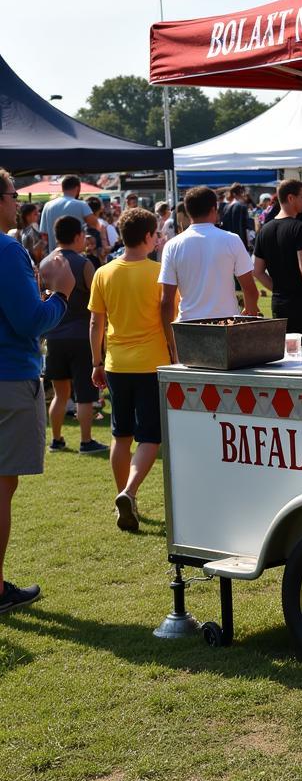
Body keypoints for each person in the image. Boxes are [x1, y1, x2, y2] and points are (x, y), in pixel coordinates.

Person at [0, 167, 75, 612]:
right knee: (2, 487)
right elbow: (30, 321)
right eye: (13, 194)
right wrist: (60, 293)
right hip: (9, 378)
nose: (18, 202)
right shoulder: (7, 250)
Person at [89, 208, 176, 531]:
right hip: (152, 363)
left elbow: (96, 321)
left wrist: (96, 361)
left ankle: (123, 496)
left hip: (116, 363)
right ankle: (130, 491)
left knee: (120, 434)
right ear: (148, 237)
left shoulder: (104, 272)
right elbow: (171, 319)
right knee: (150, 436)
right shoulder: (159, 273)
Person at [40, 217, 108, 456]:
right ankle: (86, 441)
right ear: (78, 236)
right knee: (85, 394)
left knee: (60, 394)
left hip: (54, 336)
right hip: (81, 337)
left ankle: (56, 440)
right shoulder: (83, 264)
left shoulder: (45, 263)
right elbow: (97, 301)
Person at [158, 186, 259, 324]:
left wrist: (170, 340)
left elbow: (167, 301)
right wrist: (249, 316)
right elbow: (250, 290)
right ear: (214, 209)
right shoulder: (232, 240)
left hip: (189, 326)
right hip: (226, 326)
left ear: (188, 212)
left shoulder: (172, 245)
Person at [252, 180, 302, 350]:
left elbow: (257, 271)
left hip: (279, 302)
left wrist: (277, 287)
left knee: (285, 354)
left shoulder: (265, 230)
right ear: (291, 198)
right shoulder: (301, 229)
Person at [39, 175, 100, 253]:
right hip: (76, 256)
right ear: (78, 188)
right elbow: (96, 226)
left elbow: (44, 235)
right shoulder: (81, 205)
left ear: (62, 188)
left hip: (55, 256)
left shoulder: (48, 205)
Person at [220, 183, 250, 250]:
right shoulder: (241, 206)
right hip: (239, 243)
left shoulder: (226, 206)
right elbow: (244, 228)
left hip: (227, 243)